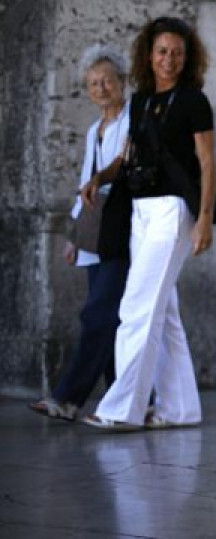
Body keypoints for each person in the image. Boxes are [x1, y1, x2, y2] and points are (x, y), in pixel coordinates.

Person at [80, 16, 216, 430]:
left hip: (174, 210)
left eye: (177, 53)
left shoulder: (194, 101)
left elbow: (208, 163)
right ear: (148, 55)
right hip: (141, 211)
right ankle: (180, 409)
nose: (169, 60)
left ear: (187, 57)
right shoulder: (140, 101)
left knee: (137, 307)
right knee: (165, 312)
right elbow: (128, 156)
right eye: (162, 52)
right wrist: (100, 178)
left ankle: (122, 410)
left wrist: (205, 219)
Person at [29, 44, 132, 422]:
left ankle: (68, 398)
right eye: (93, 84)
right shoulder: (95, 130)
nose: (100, 88)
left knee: (98, 315)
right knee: (110, 319)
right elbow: (85, 180)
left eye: (107, 81)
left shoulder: (134, 119)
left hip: (121, 230)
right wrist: (74, 236)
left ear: (123, 82)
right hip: (94, 231)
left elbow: (121, 171)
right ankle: (130, 402)